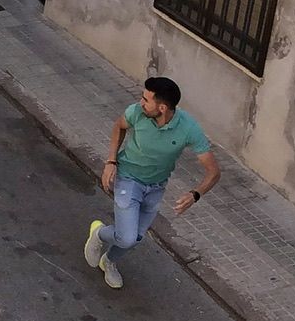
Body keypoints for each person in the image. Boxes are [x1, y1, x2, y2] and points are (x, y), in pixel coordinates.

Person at [85, 78, 220, 290]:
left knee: (136, 237)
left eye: (146, 99)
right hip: (128, 179)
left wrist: (195, 194)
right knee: (127, 237)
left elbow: (213, 171)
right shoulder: (136, 113)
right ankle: (99, 233)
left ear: (162, 107)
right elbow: (119, 127)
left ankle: (109, 261)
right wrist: (110, 161)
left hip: (156, 186)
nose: (141, 103)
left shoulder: (188, 128)